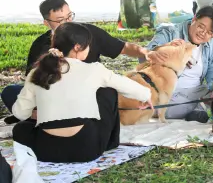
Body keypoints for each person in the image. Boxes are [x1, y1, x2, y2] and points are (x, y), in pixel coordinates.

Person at [12, 23, 152, 163]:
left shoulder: (37, 72)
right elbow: (126, 85)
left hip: (46, 151)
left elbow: (19, 113)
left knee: (20, 129)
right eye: (88, 45)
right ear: (77, 47)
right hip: (88, 149)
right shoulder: (94, 69)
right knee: (108, 92)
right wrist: (146, 96)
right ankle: (110, 144)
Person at [1, 0, 149, 123]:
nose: (67, 22)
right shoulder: (40, 45)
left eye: (70, 16)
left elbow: (121, 47)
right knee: (10, 91)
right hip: (54, 98)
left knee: (106, 92)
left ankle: (38, 118)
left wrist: (144, 52)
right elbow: (33, 83)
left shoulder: (88, 33)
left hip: (83, 97)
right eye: (60, 20)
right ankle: (40, 115)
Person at [144, 6, 213, 123]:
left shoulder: (212, 45)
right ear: (194, 19)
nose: (203, 34)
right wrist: (172, 52)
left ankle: (197, 109)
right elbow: (147, 53)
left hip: (195, 92)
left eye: (209, 33)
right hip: (166, 93)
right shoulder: (171, 32)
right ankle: (197, 109)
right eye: (201, 27)